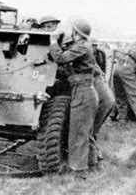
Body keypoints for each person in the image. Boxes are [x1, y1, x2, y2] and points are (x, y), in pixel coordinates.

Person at [49, 18, 99, 174]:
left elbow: (61, 58)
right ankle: (92, 165)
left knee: (78, 133)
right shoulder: (81, 45)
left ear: (77, 32)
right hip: (85, 90)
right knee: (85, 131)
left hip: (83, 92)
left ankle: (79, 171)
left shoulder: (82, 47)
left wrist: (52, 42)